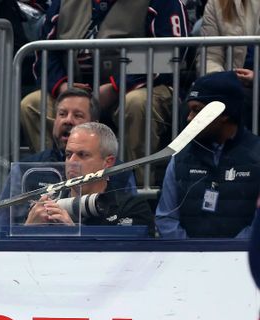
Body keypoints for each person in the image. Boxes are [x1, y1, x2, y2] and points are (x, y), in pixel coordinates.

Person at [20, 0, 189, 187]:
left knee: (136, 103)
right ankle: (51, 184)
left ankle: (138, 190)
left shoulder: (163, 3)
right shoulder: (63, 3)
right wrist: (63, 88)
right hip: (76, 87)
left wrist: (116, 87)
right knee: (33, 104)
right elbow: (45, 52)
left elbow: (169, 54)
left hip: (140, 86)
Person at [0, 88, 137, 238]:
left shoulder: (119, 171)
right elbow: (1, 230)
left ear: (94, 124)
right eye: (62, 114)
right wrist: (29, 229)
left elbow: (127, 225)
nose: (68, 120)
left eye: (77, 115)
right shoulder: (27, 168)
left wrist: (73, 233)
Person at [156, 71, 260, 238]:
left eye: (197, 110)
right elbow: (165, 217)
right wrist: (192, 253)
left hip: (242, 261)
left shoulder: (257, 156)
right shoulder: (180, 157)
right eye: (190, 111)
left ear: (224, 114)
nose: (189, 118)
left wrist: (230, 254)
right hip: (184, 261)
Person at [24, 122, 155, 233]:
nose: (72, 162)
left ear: (108, 162)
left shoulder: (133, 208)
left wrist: (72, 233)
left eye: (82, 155)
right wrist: (27, 229)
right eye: (68, 154)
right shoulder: (46, 206)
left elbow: (125, 260)